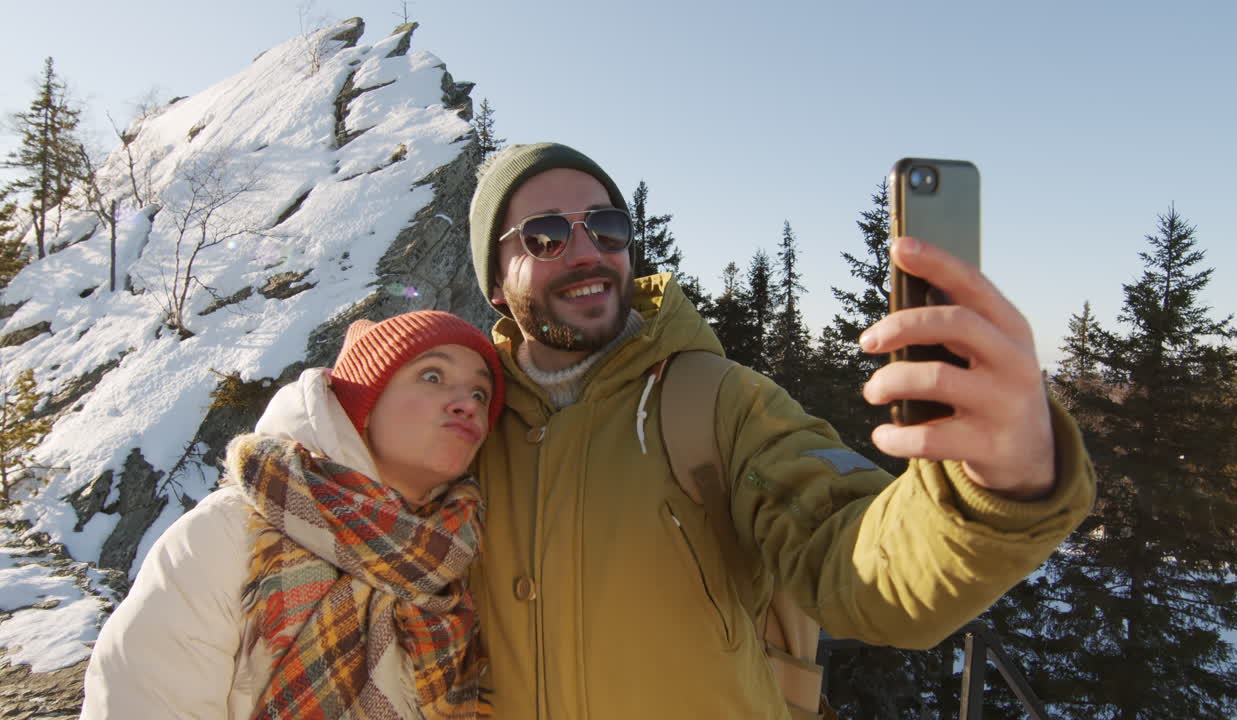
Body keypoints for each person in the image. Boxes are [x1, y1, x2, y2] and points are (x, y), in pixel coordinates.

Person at [465, 142, 1097, 719]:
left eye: (606, 227)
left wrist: (993, 481)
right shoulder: (461, 430)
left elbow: (845, 554)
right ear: (494, 281)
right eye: (545, 235)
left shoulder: (718, 401)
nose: (586, 252)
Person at [81, 310, 504, 720]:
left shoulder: (458, 554)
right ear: (364, 402)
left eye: (479, 394)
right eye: (432, 376)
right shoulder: (228, 533)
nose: (466, 403)